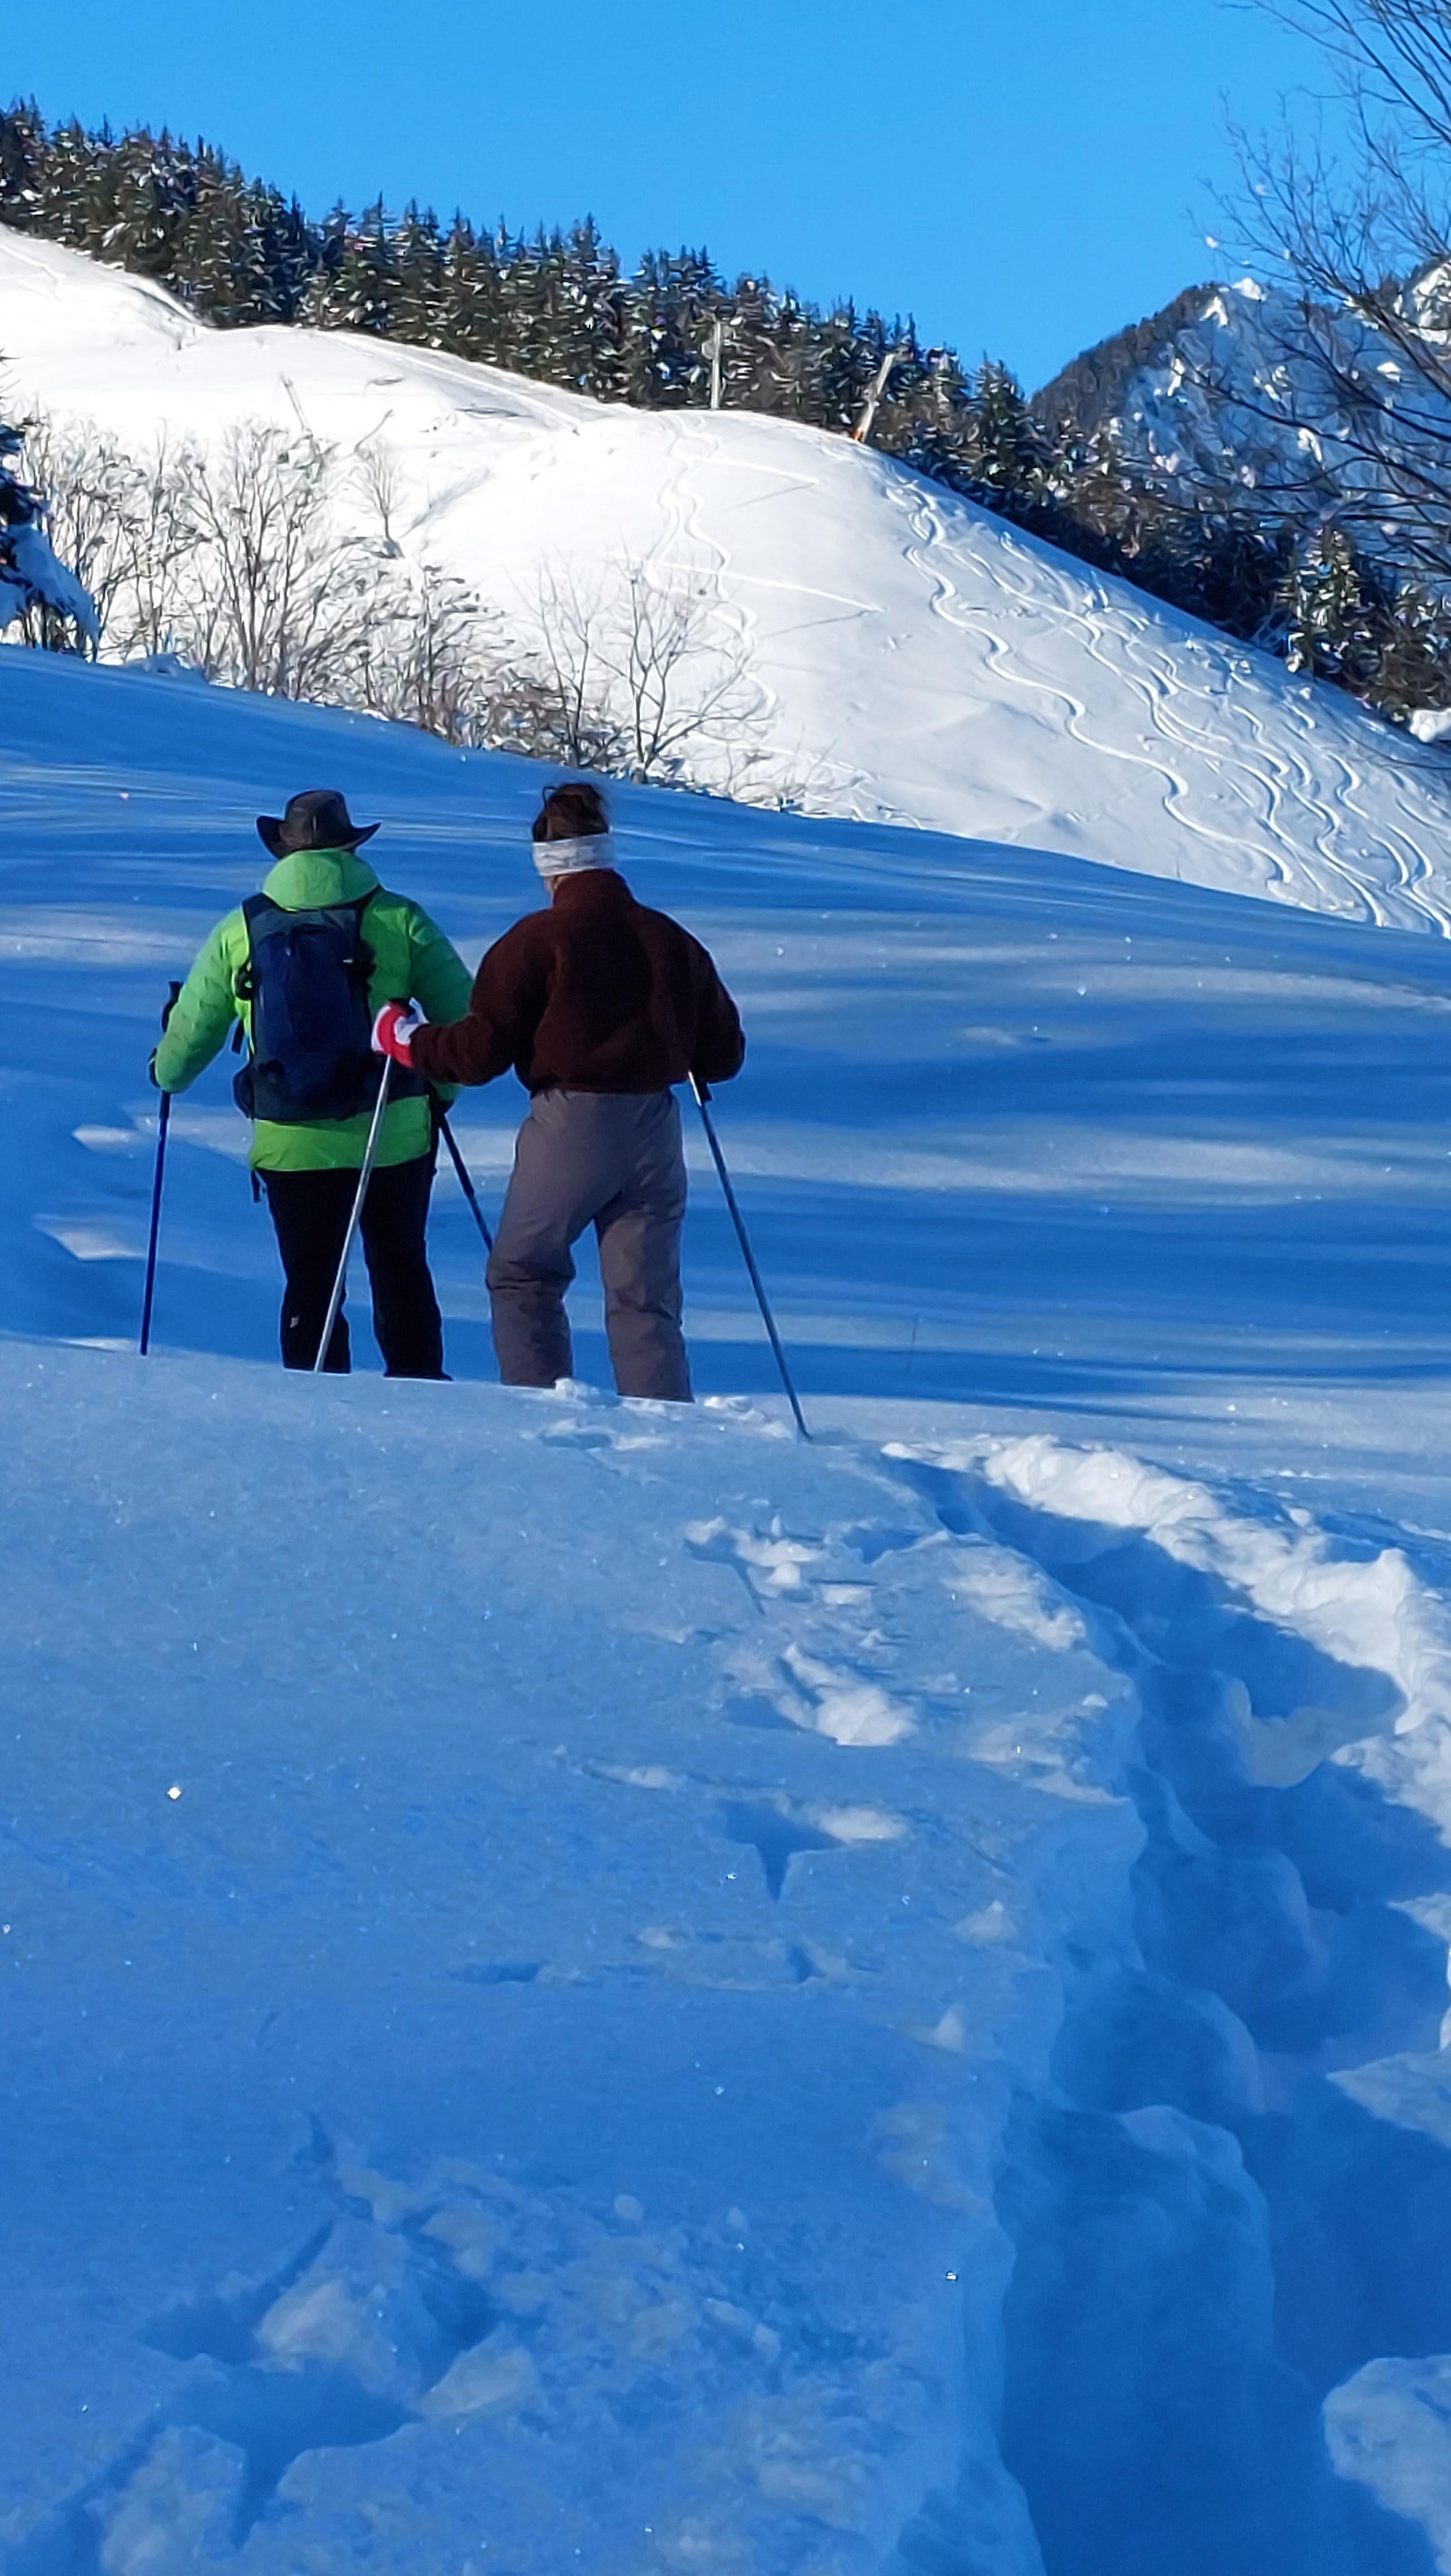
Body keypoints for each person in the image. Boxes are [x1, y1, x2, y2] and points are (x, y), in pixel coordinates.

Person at [373, 782, 743, 1402]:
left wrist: (407, 1040)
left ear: (548, 866)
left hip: (572, 1125)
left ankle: (540, 1416)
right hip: (657, 1128)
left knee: (524, 1274)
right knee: (645, 1300)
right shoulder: (671, 939)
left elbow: (479, 1055)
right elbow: (723, 1056)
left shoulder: (536, 942)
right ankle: (668, 1428)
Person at [152, 787, 473, 1377]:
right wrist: (435, 1097)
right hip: (392, 1132)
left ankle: (316, 1406)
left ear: (285, 849)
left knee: (311, 1283)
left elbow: (190, 1039)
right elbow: (465, 1020)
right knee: (401, 1269)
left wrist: (164, 1072)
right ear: (350, 847)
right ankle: (422, 1395)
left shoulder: (241, 928)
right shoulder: (399, 918)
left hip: (291, 1139)